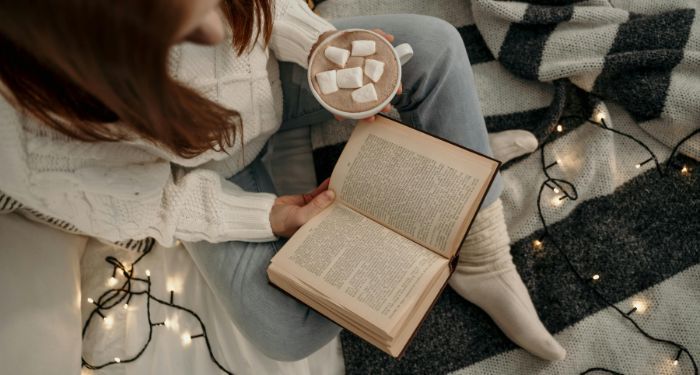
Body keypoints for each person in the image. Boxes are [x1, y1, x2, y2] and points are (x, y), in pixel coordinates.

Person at [0, 0, 563, 363]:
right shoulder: (31, 138)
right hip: (205, 172)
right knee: (284, 332)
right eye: (189, 32)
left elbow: (267, 12)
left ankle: (480, 249)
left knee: (434, 46)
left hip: (282, 84)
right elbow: (153, 203)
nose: (218, 29)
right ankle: (459, 169)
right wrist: (271, 216)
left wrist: (328, 57)